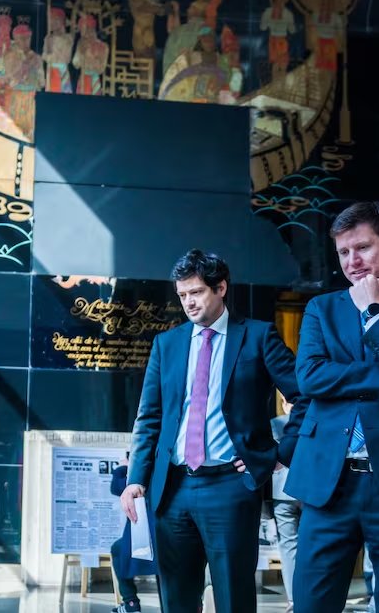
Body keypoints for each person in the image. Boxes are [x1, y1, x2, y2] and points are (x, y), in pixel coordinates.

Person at [120, 249, 301, 613]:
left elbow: (306, 397)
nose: (188, 301)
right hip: (172, 489)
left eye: (197, 292)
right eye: (182, 294)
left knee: (233, 599)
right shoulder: (167, 344)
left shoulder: (258, 336)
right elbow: (149, 417)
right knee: (177, 600)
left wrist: (279, 454)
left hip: (230, 487)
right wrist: (136, 478)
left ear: (221, 288)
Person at [279, 201, 379, 613]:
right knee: (312, 603)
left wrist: (373, 311)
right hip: (329, 479)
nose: (352, 261)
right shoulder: (321, 308)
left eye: (362, 248)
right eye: (343, 252)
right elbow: (310, 377)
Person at [111, 451, 156, 613]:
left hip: (149, 534)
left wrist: (123, 468)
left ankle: (131, 603)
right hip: (165, 530)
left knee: (118, 550)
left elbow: (117, 487)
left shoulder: (140, 473)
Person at [270, 404, 301, 613]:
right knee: (309, 545)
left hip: (281, 493)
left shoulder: (275, 424)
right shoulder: (313, 421)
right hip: (308, 492)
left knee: (288, 545)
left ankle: (293, 598)